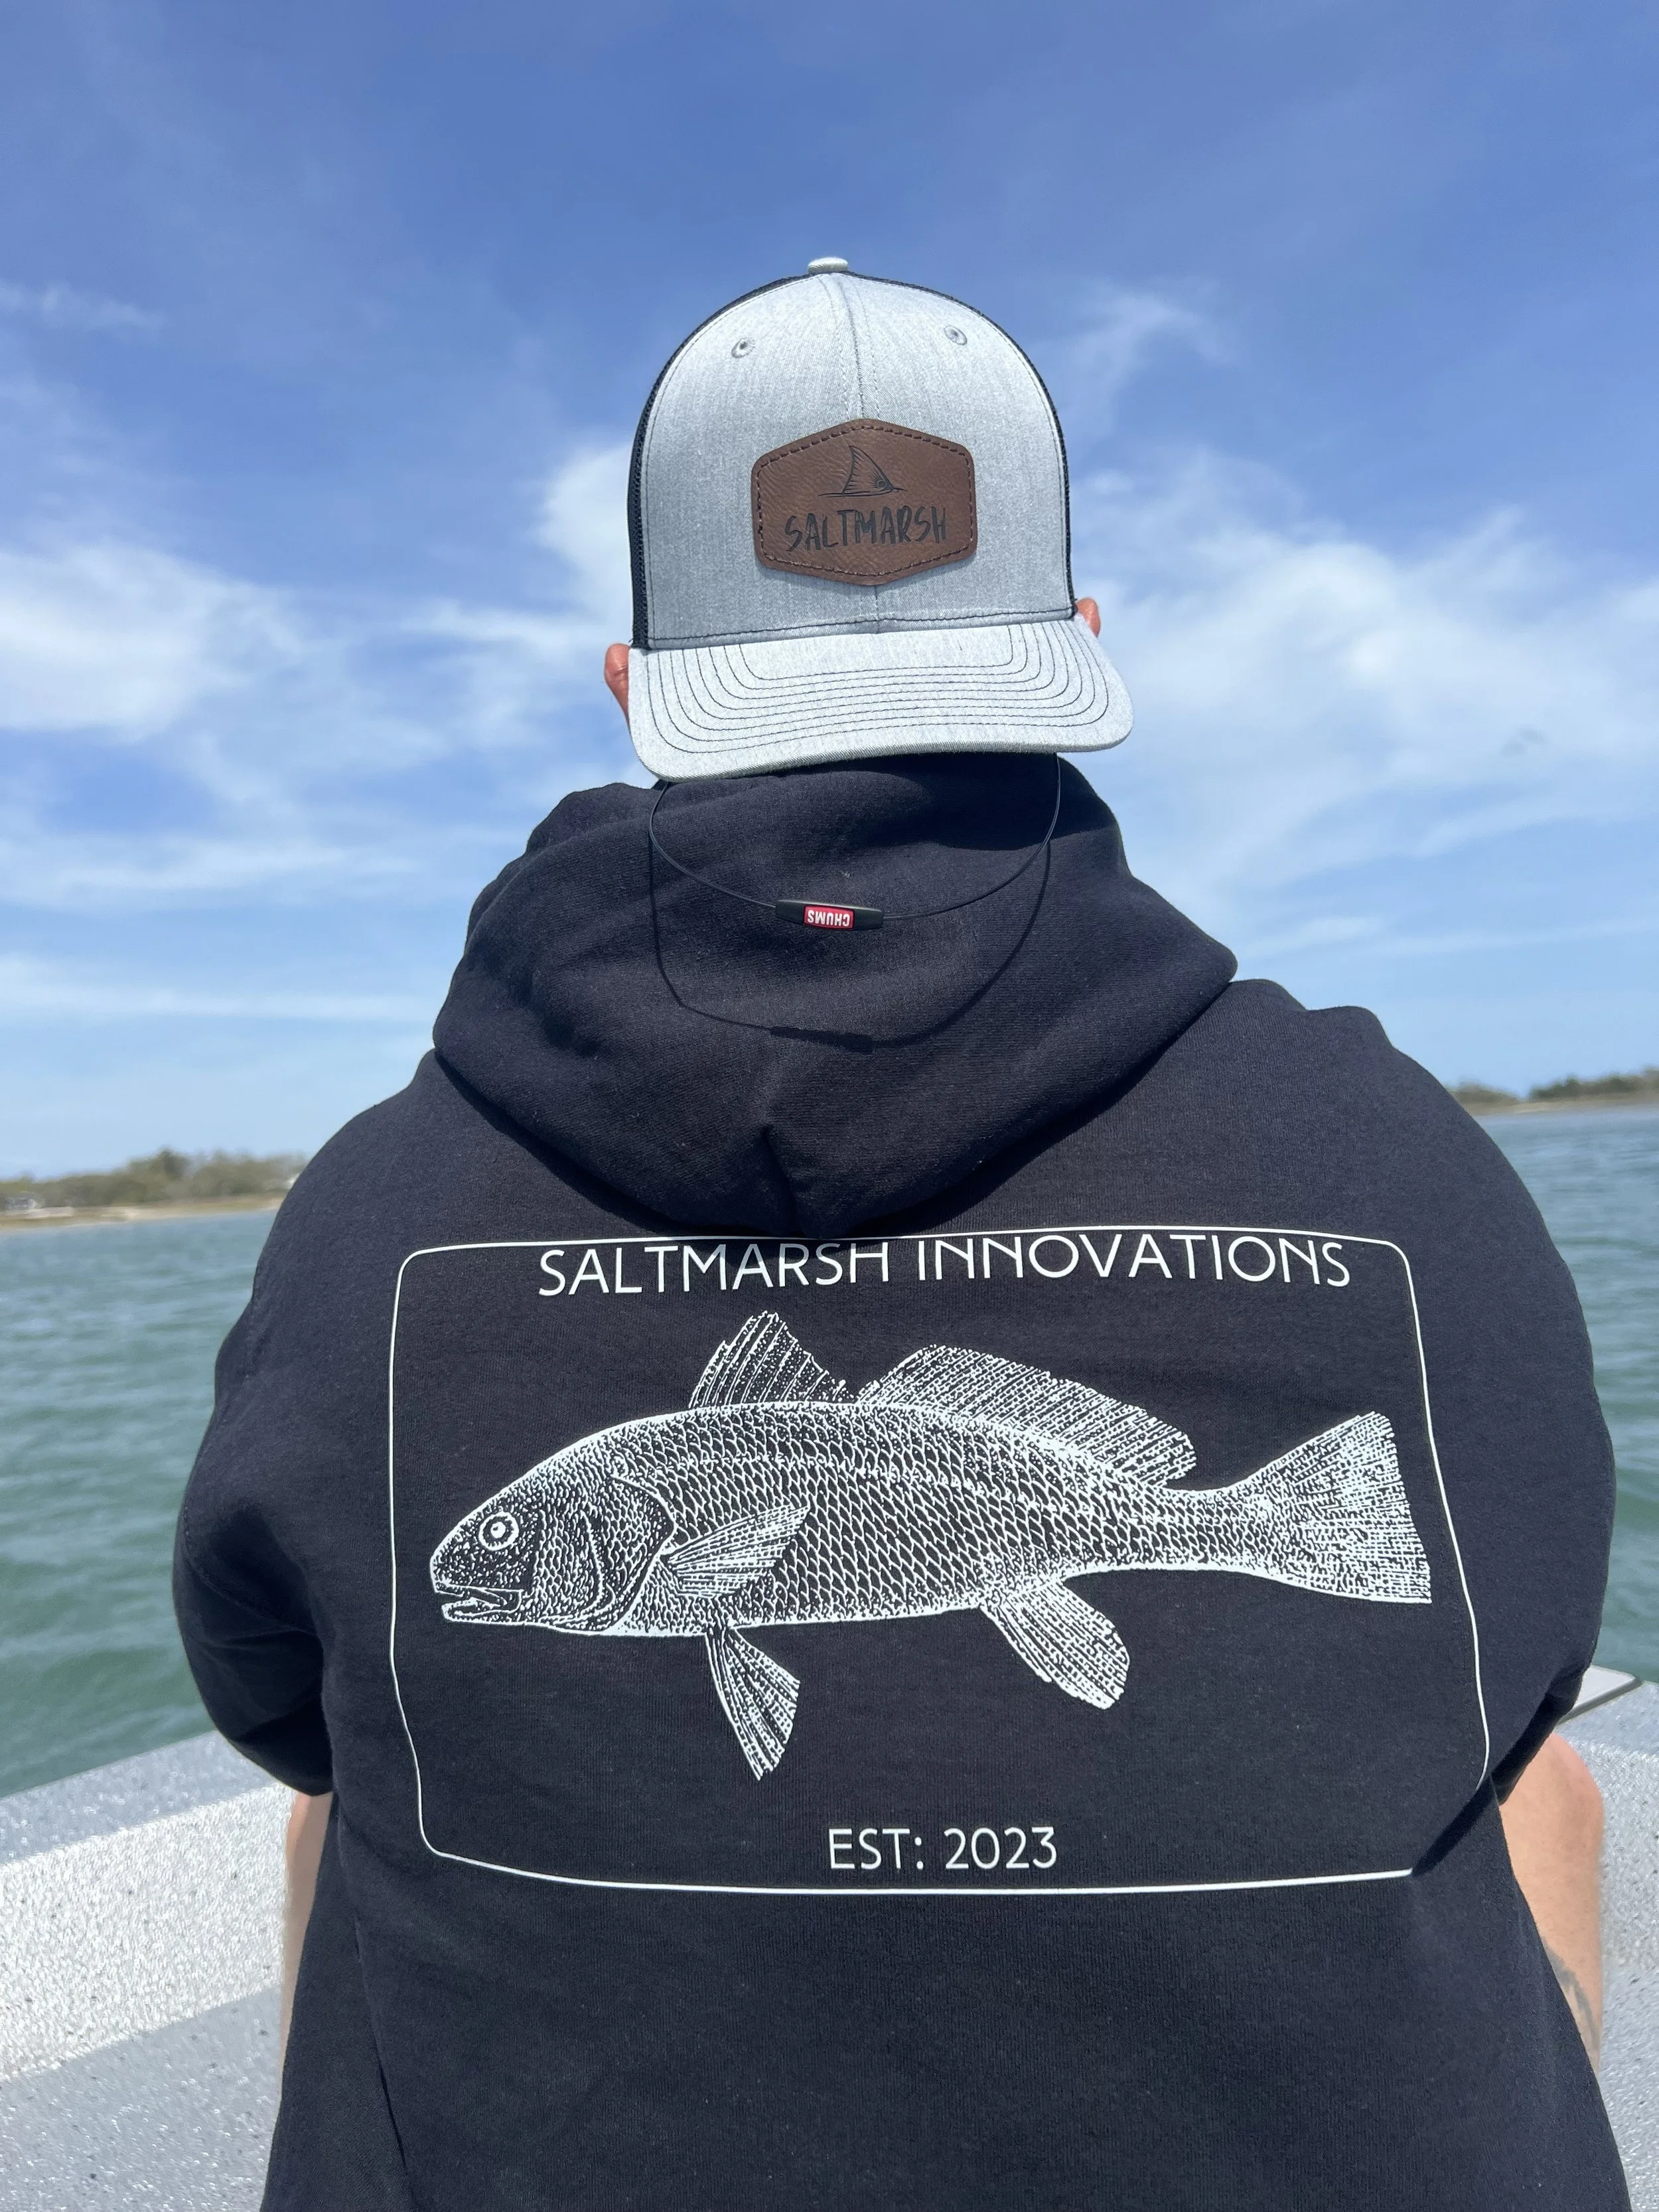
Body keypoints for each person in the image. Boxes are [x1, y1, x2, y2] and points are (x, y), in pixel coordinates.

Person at [176, 261, 1624, 2211]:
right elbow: (1523, 1690)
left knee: (346, 1795)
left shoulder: (363, 1220)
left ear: (638, 680)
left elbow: (305, 1727)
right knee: (1539, 1775)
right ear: (1077, 644)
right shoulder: (1399, 1160)